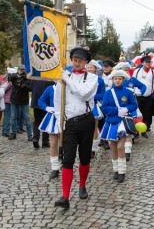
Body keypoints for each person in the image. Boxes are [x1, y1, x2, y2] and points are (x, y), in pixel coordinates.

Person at [54, 47, 98, 210]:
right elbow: (58, 101)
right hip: (70, 123)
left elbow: (84, 94)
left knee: (85, 157)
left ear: (86, 62)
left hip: (86, 121)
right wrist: (61, 122)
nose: (77, 63)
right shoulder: (65, 78)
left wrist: (67, 78)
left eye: (80, 60)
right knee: (68, 158)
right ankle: (65, 196)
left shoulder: (92, 78)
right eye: (75, 60)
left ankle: (82, 185)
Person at [100, 69, 138, 183]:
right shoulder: (107, 93)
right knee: (113, 146)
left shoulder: (128, 92)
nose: (117, 81)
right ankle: (116, 170)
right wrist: (117, 110)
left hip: (122, 122)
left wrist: (126, 109)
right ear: (112, 80)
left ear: (123, 80)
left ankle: (122, 171)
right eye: (115, 79)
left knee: (120, 147)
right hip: (111, 122)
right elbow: (104, 108)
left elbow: (134, 104)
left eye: (119, 79)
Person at [115, 61, 145, 161]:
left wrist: (140, 92)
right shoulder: (116, 81)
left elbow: (143, 86)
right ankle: (122, 148)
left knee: (129, 130)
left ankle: (127, 152)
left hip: (131, 108)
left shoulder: (133, 80)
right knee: (121, 131)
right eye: (124, 69)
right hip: (119, 110)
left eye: (127, 69)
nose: (126, 71)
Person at [132, 55, 154, 137]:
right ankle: (136, 130)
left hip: (148, 96)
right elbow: (132, 83)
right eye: (146, 62)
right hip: (138, 96)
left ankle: (144, 129)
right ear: (142, 63)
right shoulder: (137, 71)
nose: (148, 64)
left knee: (147, 113)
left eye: (149, 62)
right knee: (138, 114)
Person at [38, 82, 60, 179]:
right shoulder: (50, 89)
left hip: (67, 116)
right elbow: (40, 101)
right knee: (53, 143)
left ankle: (66, 162)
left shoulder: (69, 88)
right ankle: (55, 167)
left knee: (68, 142)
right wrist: (47, 108)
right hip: (53, 117)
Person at [86, 60, 105, 159]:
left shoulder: (100, 80)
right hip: (83, 105)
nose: (89, 69)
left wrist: (93, 97)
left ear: (95, 69)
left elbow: (103, 93)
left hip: (94, 105)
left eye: (91, 67)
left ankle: (92, 148)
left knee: (94, 126)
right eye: (88, 67)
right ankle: (85, 148)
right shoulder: (82, 78)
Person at [8, 65, 32, 141]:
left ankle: (30, 135)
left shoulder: (27, 77)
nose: (21, 71)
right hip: (14, 99)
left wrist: (24, 86)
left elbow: (31, 89)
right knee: (13, 117)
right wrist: (17, 75)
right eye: (20, 70)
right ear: (17, 70)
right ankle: (13, 133)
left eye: (22, 70)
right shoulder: (14, 76)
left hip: (23, 100)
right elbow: (10, 77)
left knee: (27, 118)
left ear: (25, 70)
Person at [30, 79, 53, 149]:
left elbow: (31, 87)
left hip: (36, 102)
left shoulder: (34, 78)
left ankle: (35, 138)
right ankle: (45, 142)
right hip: (45, 103)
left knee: (37, 121)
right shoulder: (49, 79)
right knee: (45, 121)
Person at [1, 68, 15, 137]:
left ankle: (4, 130)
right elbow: (4, 90)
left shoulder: (5, 80)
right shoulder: (8, 82)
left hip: (6, 100)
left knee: (6, 116)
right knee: (7, 116)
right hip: (8, 101)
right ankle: (6, 130)